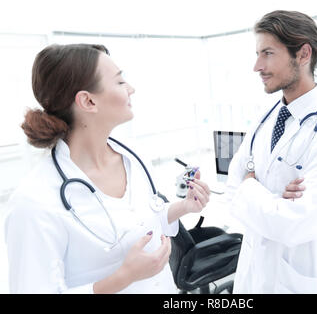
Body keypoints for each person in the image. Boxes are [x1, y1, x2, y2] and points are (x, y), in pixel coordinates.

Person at [4, 43, 211, 294]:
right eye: (121, 82)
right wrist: (123, 277)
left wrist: (183, 208)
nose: (131, 89)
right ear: (88, 101)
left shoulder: (133, 158)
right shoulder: (35, 201)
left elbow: (140, 220)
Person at [224, 10, 317, 293]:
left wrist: (251, 187)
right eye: (258, 54)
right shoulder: (266, 116)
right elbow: (232, 185)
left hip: (295, 280)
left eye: (267, 53)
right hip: (251, 273)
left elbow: (298, 225)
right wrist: (269, 198)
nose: (257, 66)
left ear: (303, 54)